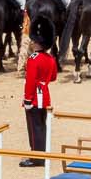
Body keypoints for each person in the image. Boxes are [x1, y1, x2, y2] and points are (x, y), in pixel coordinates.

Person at [21, 17, 57, 166]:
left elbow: (30, 82)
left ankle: (37, 157)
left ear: (37, 42)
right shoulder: (50, 58)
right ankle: (42, 153)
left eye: (33, 41)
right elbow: (53, 77)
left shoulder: (33, 59)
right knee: (42, 125)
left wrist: (28, 100)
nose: (32, 43)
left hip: (35, 96)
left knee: (34, 126)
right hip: (45, 95)